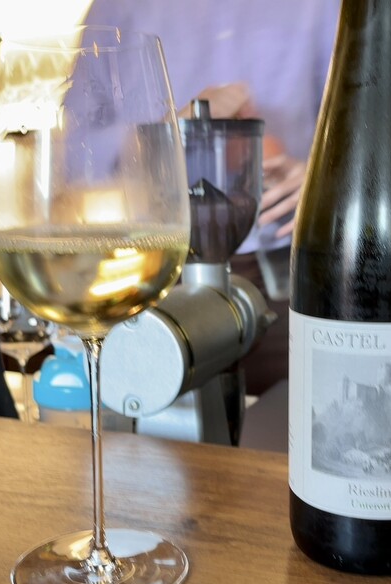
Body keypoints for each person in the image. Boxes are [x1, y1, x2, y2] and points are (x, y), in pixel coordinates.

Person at [83, 0, 341, 394]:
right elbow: (76, 153)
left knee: (299, 418)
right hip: (150, 269)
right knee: (153, 422)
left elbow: (363, 117)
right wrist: (169, 131)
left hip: (287, 274)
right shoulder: (116, 7)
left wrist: (324, 173)